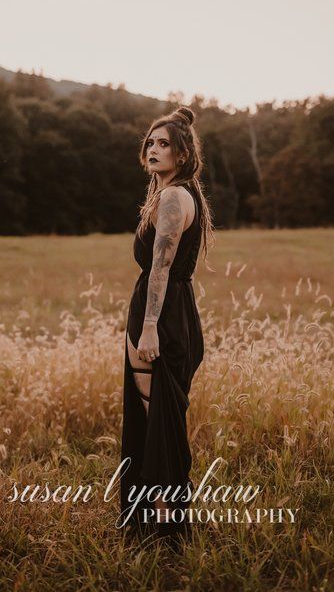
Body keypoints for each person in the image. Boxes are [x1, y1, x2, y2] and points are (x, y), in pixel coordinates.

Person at [120, 106, 215, 547]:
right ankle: (159, 524)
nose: (155, 149)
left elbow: (161, 268)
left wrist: (150, 326)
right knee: (157, 419)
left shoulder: (175, 198)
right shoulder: (169, 193)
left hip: (163, 317)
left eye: (165, 144)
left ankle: (166, 530)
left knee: (158, 423)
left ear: (184, 154)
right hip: (167, 312)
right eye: (151, 143)